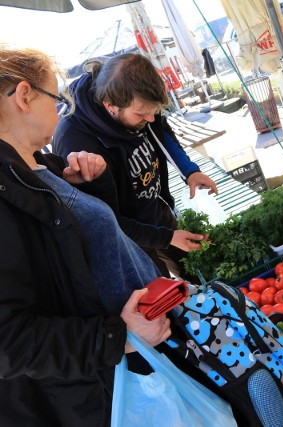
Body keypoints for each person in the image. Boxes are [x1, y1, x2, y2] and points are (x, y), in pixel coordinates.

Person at [0, 45, 173, 426]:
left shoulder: (40, 167)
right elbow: (8, 340)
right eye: (55, 97)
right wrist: (118, 337)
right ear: (25, 96)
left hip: (138, 356)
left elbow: (83, 252)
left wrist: (92, 188)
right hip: (97, 393)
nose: (60, 109)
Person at [53, 53, 219, 282]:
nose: (150, 118)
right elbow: (104, 220)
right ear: (110, 105)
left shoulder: (141, 102)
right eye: (141, 114)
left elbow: (160, 132)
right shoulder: (76, 141)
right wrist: (165, 238)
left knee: (199, 273)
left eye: (154, 111)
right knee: (164, 292)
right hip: (127, 239)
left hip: (157, 211)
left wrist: (189, 170)